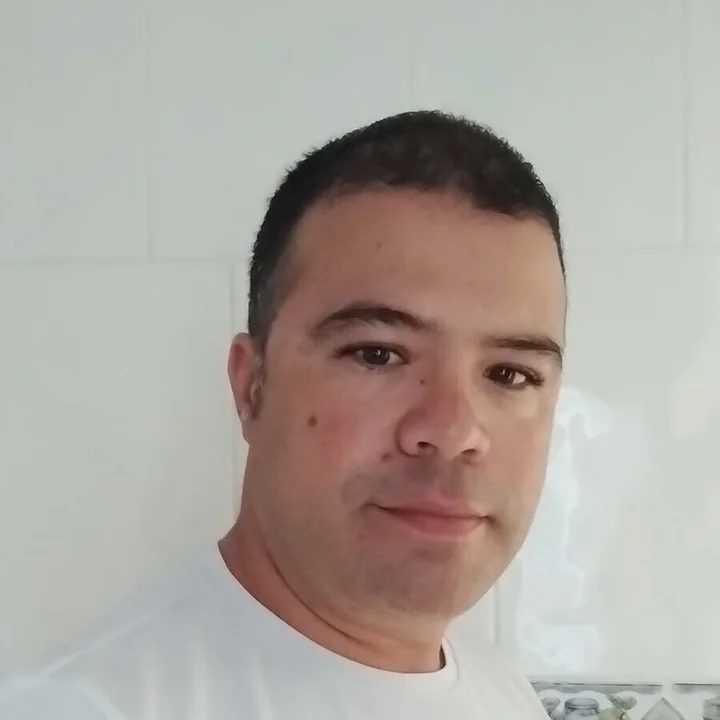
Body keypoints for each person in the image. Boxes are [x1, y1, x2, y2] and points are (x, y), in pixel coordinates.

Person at [0, 110, 566, 719]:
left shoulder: (503, 694)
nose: (453, 431)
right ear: (252, 387)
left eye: (509, 374)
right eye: (377, 354)